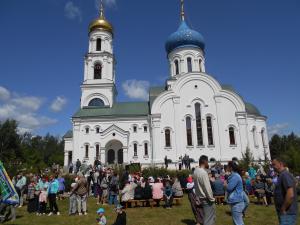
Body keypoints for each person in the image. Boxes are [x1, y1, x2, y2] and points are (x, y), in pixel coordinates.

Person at [272, 158, 298, 225]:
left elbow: (290, 194)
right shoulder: (281, 175)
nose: (272, 167)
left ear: (280, 164)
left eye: (274, 165)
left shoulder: (285, 175)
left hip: (287, 212)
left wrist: (283, 208)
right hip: (285, 212)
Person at [193, 155, 216, 225]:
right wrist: (212, 199)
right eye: (207, 161)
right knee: (209, 219)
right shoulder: (203, 173)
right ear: (205, 162)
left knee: (207, 217)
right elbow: (207, 188)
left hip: (200, 197)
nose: (208, 163)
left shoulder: (195, 171)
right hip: (206, 198)